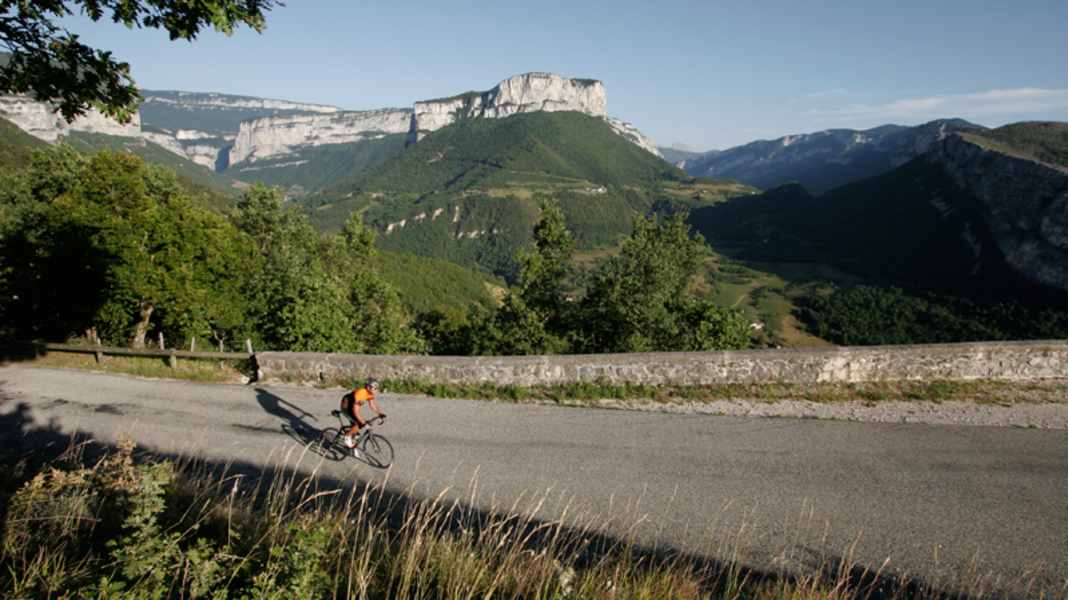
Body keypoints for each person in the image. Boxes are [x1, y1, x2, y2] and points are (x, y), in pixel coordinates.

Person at [340, 377, 386, 451]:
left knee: (359, 425)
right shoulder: (361, 394)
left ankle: (352, 438)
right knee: (357, 424)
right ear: (368, 387)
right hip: (346, 407)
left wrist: (379, 414)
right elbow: (355, 411)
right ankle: (347, 437)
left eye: (377, 388)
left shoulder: (369, 393)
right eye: (375, 388)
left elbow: (372, 405)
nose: (377, 390)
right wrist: (363, 423)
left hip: (352, 406)